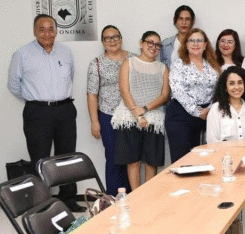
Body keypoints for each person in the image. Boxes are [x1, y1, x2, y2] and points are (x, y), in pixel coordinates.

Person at [8, 14, 83, 211]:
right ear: (35, 31)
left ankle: (68, 199)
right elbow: (14, 85)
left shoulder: (66, 53)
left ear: (56, 31)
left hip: (65, 109)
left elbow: (70, 78)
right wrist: (35, 101)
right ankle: (41, 203)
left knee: (67, 158)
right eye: (42, 29)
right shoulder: (22, 54)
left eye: (51, 29)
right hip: (38, 112)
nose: (47, 33)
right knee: (39, 159)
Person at [113, 31, 169, 190]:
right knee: (133, 160)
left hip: (154, 118)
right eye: (150, 43)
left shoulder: (163, 68)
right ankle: (136, 198)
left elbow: (164, 95)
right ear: (141, 43)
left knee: (152, 161)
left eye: (157, 45)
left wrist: (145, 109)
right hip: (129, 116)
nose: (154, 47)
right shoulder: (129, 63)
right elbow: (125, 91)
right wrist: (136, 113)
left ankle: (148, 197)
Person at [86, 25, 133, 196]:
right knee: (113, 158)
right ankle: (113, 197)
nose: (112, 41)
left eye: (115, 37)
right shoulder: (96, 64)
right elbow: (92, 94)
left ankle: (131, 196)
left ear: (121, 38)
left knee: (131, 158)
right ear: (102, 42)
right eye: (108, 38)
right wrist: (94, 121)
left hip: (131, 117)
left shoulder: (133, 58)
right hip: (108, 116)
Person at [165, 28, 220, 163]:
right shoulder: (178, 64)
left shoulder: (212, 65)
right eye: (192, 40)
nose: (196, 44)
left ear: (205, 44)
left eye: (199, 40)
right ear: (186, 44)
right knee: (182, 163)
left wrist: (210, 110)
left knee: (202, 161)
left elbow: (219, 91)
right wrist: (197, 111)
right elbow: (178, 90)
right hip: (180, 116)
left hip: (206, 115)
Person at [206, 66, 245, 144]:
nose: (236, 87)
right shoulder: (216, 109)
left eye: (240, 83)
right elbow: (211, 141)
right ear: (225, 87)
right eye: (231, 83)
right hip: (223, 154)